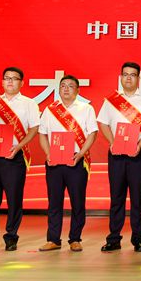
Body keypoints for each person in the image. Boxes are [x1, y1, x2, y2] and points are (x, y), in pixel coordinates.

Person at [97, 62, 141, 252]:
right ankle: (113, 239)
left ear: (138, 78)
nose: (128, 78)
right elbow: (103, 124)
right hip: (116, 153)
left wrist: (139, 144)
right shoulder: (111, 100)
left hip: (139, 153)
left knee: (138, 197)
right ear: (120, 77)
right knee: (116, 197)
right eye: (125, 74)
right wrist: (112, 143)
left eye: (132, 75)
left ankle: (138, 239)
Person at [0, 67, 40, 251]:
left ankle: (11, 237)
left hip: (14, 157)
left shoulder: (29, 103)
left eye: (14, 78)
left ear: (22, 83)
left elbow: (34, 129)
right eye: (6, 78)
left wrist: (19, 146)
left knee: (14, 200)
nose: (10, 81)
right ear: (2, 81)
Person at [37, 75, 98, 252]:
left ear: (78, 90)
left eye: (70, 86)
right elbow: (42, 134)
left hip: (76, 160)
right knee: (54, 202)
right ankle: (53, 239)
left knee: (77, 202)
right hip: (54, 161)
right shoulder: (50, 110)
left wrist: (81, 154)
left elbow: (92, 133)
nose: (65, 89)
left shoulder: (86, 109)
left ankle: (75, 238)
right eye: (63, 85)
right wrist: (48, 153)